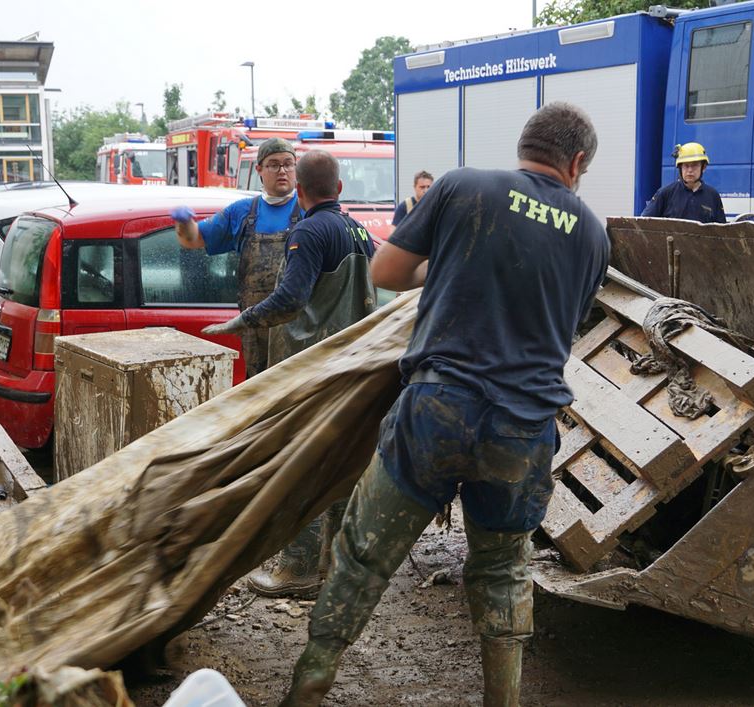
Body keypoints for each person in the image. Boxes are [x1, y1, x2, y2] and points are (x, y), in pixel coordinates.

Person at [281, 102, 609, 707]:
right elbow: (566, 323)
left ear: (524, 144)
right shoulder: (592, 232)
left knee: (362, 556)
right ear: (578, 161)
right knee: (504, 569)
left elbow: (386, 272)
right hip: (524, 426)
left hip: (438, 409)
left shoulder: (463, 186)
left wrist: (446, 263)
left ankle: (308, 689)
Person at [203, 149, 378, 599]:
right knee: (342, 466)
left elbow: (289, 300)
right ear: (339, 189)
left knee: (302, 465)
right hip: (352, 366)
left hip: (312, 366)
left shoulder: (309, 231)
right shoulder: (358, 230)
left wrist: (240, 321)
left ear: (299, 191)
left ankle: (297, 568)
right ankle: (336, 566)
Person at [171, 137, 303, 378]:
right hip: (254, 328)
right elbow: (192, 239)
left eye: (288, 164)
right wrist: (183, 223)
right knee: (259, 394)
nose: (282, 170)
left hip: (299, 328)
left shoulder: (308, 210)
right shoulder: (241, 212)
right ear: (259, 170)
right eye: (273, 164)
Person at [639, 142, 726, 224]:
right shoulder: (665, 193)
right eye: (686, 166)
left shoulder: (713, 195)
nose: (690, 170)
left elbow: (722, 232)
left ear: (703, 167)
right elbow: (645, 224)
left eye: (694, 165)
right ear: (680, 168)